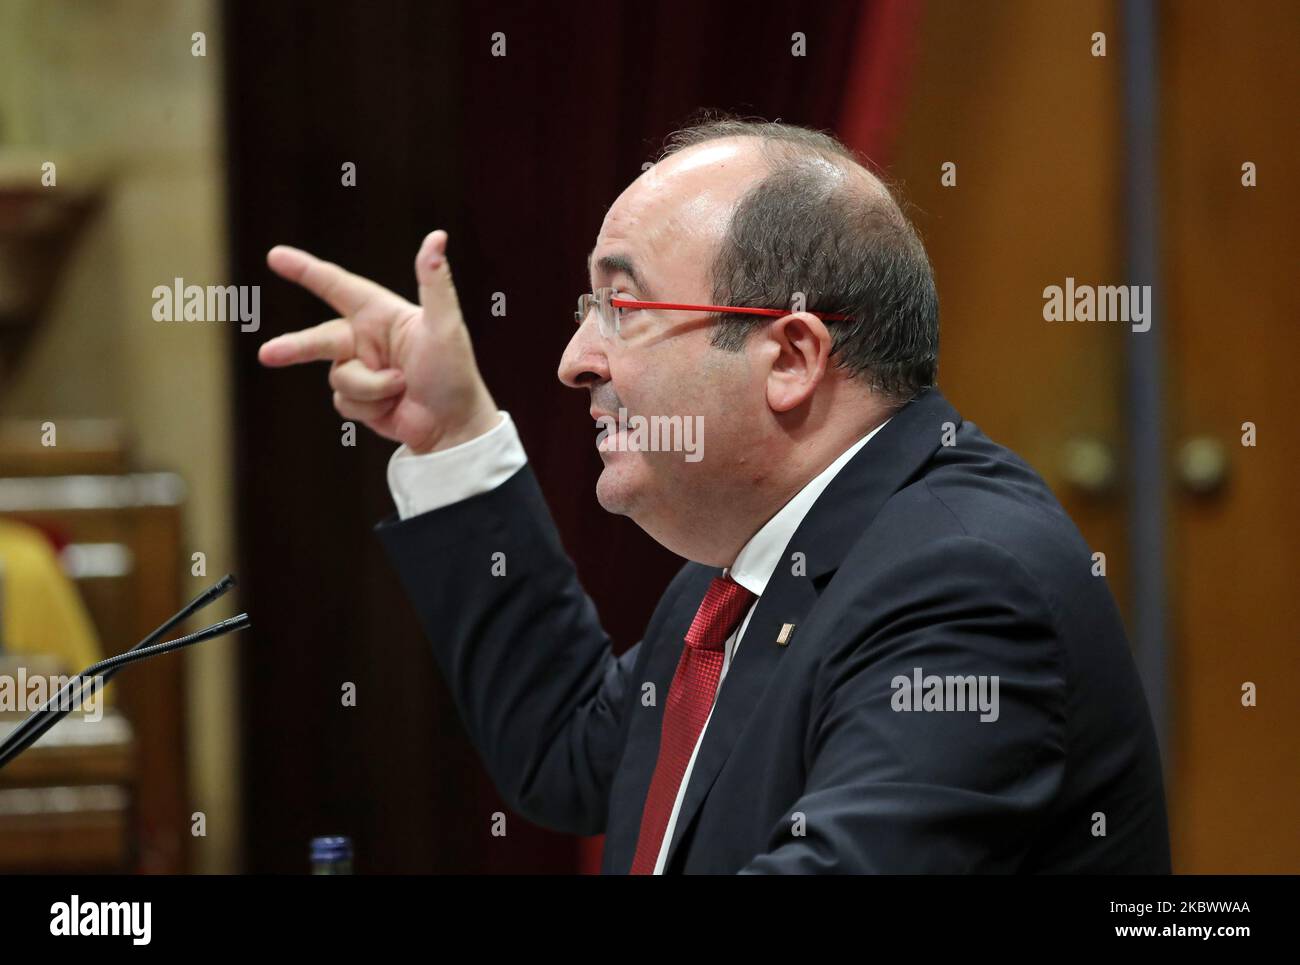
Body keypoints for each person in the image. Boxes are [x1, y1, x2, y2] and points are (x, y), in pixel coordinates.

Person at [257, 118, 1171, 874]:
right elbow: (570, 749)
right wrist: (452, 435)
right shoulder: (753, 563)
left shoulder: (965, 582)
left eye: (624, 308)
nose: (577, 361)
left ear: (790, 357)